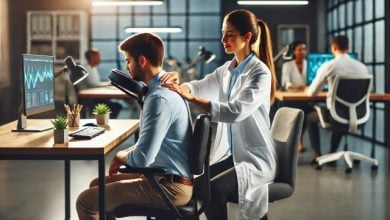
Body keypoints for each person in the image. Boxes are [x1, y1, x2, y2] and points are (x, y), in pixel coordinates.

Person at [162, 9, 276, 220]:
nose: (223, 39)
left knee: (214, 191)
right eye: (223, 33)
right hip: (231, 155)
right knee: (198, 185)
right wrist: (180, 85)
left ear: (247, 37)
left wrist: (192, 99)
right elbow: (199, 86)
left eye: (230, 34)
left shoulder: (260, 73)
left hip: (254, 159)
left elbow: (235, 111)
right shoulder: (226, 70)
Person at [76, 33, 193, 220]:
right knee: (96, 184)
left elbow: (143, 159)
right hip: (163, 177)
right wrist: (127, 155)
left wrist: (120, 155)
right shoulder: (162, 91)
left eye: (128, 61)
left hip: (170, 187)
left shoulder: (159, 98)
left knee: (86, 201)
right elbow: (147, 147)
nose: (127, 67)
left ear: (142, 60)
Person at [306, 35, 370, 163]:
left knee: (310, 117)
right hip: (359, 117)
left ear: (333, 48)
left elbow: (312, 93)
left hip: (336, 117)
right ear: (348, 48)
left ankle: (318, 155)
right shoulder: (363, 67)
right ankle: (332, 153)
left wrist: (306, 90)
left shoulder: (329, 66)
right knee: (339, 112)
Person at [281, 40, 313, 152]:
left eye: (304, 49)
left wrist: (300, 86)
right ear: (294, 51)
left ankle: (300, 140)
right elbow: (288, 85)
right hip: (292, 99)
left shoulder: (309, 64)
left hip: (307, 98)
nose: (302, 52)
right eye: (299, 49)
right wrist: (304, 86)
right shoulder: (287, 65)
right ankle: (298, 141)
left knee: (307, 113)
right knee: (299, 113)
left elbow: (313, 82)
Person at [76, 48, 122, 118]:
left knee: (115, 105)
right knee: (116, 106)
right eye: (98, 56)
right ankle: (106, 121)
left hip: (94, 97)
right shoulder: (86, 69)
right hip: (89, 99)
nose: (100, 58)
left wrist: (108, 83)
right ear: (92, 57)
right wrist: (108, 84)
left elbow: (96, 83)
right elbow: (93, 84)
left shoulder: (93, 68)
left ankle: (105, 120)